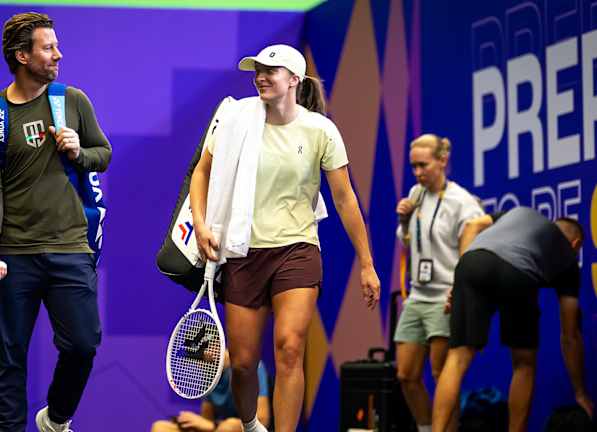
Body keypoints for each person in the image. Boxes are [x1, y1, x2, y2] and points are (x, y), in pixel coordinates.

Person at [190, 44, 380, 432]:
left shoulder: (320, 130)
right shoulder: (233, 118)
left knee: (290, 349)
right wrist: (202, 224)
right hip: (243, 253)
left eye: (270, 71)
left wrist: (367, 263)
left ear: (294, 79)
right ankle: (250, 426)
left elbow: (345, 199)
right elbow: (201, 173)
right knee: (242, 363)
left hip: (298, 250)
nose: (260, 76)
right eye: (257, 70)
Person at [0, 12, 111, 432]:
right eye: (48, 48)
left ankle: (55, 418)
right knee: (9, 361)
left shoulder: (73, 100)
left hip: (71, 248)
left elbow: (102, 153)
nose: (58, 54)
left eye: (55, 46)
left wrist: (78, 152)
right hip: (14, 256)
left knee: (83, 346)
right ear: (22, 56)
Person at [431, 207, 594, 432]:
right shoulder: (568, 258)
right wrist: (581, 393)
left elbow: (471, 226)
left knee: (457, 359)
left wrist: (460, 280)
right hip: (518, 272)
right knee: (524, 365)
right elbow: (570, 337)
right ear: (575, 244)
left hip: (472, 262)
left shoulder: (518, 212)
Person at [394, 134, 483, 432]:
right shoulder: (416, 194)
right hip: (417, 296)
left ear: (442, 160)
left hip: (445, 298)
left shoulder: (462, 202)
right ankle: (427, 428)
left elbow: (475, 250)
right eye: (413, 166)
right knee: (406, 375)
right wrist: (405, 222)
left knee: (441, 373)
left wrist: (459, 291)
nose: (418, 173)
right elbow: (409, 241)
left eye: (424, 165)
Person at [151, 351, 271, 432]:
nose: (199, 364)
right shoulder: (209, 376)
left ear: (215, 346)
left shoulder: (251, 368)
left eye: (201, 357)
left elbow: (262, 421)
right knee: (160, 428)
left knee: (228, 427)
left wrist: (213, 426)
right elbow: (207, 419)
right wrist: (194, 423)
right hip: (220, 428)